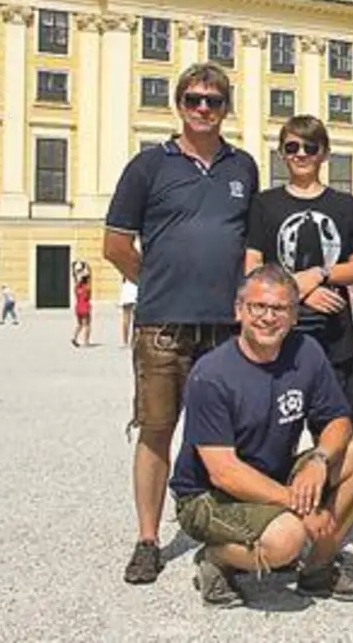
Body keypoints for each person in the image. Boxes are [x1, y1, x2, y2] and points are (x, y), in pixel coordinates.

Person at [103, 62, 260, 585]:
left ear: (226, 108)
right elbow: (116, 245)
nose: (202, 109)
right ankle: (148, 540)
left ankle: (220, 527)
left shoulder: (244, 168)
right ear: (179, 105)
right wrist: (155, 284)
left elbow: (247, 246)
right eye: (193, 100)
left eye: (213, 101)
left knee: (223, 435)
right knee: (156, 431)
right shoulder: (149, 166)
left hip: (224, 328)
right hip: (163, 326)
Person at [168, 265, 353, 608]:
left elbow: (338, 421)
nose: (268, 317)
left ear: (294, 315)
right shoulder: (212, 374)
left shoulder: (306, 351)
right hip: (209, 495)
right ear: (239, 311)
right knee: (286, 539)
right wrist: (298, 504)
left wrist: (320, 462)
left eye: (279, 309)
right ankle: (217, 558)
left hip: (270, 475)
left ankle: (318, 570)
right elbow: (224, 471)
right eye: (258, 307)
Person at [245, 115, 353, 420]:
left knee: (336, 428)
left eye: (310, 146)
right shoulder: (264, 204)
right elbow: (253, 267)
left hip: (335, 337)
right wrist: (298, 293)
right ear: (281, 153)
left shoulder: (346, 205)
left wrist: (318, 275)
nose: (301, 154)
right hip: (276, 335)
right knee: (272, 433)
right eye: (292, 147)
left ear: (325, 153)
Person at [71, 269, 93, 347]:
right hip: (85, 307)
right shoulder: (87, 288)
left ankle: (74, 338)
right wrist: (89, 271)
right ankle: (86, 341)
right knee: (87, 325)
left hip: (78, 307)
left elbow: (75, 281)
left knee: (79, 324)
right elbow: (89, 295)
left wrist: (77, 275)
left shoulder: (77, 287)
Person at [119, 277, 138, 347]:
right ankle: (133, 340)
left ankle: (125, 341)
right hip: (135, 290)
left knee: (125, 319)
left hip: (126, 291)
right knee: (136, 319)